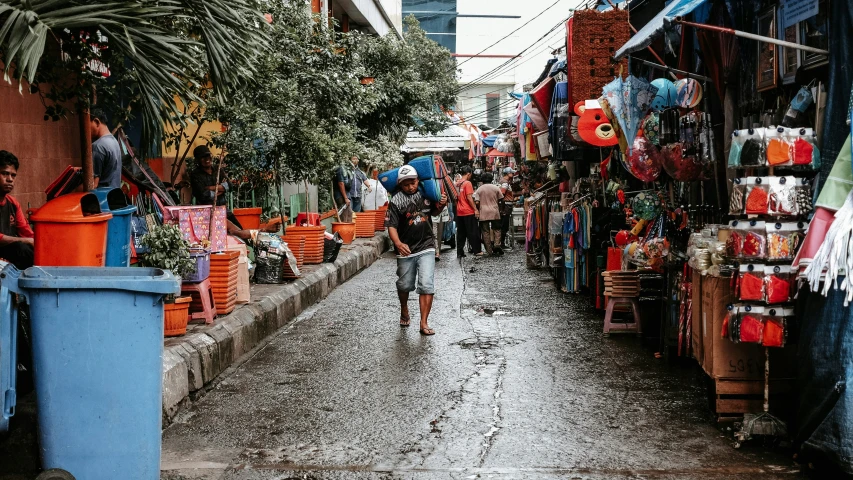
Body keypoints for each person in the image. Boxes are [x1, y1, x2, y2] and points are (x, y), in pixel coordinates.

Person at [386, 165, 448, 336]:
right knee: (405, 284)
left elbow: (434, 213)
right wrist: (398, 243)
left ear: (418, 181)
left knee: (427, 284)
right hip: (406, 249)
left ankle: (424, 322)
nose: (410, 187)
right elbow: (391, 226)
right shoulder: (396, 201)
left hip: (427, 246)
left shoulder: (426, 193)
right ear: (400, 185)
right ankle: (404, 308)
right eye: (406, 184)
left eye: (412, 183)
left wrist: (442, 204)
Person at [0, 151, 34, 270]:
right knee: (22, 248)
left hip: (6, 253)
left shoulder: (13, 203)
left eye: (13, 175)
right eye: (5, 174)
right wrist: (27, 241)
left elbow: (27, 233)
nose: (10, 179)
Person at [89, 107, 122, 189]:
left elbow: (93, 185)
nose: (86, 130)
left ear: (96, 122)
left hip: (101, 198)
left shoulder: (97, 146)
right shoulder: (114, 142)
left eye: (86, 125)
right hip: (114, 196)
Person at [455, 166, 481, 258]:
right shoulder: (467, 183)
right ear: (468, 174)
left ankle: (460, 252)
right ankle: (476, 250)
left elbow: (455, 198)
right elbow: (470, 198)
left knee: (461, 233)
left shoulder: (457, 183)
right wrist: (475, 209)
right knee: (473, 232)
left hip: (459, 211)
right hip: (468, 211)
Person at [475, 172, 503, 256]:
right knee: (497, 229)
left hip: (483, 212)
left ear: (482, 180)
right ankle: (497, 244)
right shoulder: (496, 188)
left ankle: (489, 250)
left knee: (485, 231)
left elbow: (476, 202)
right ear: (491, 179)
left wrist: (480, 208)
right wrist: (501, 209)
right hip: (494, 211)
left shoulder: (479, 189)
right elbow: (501, 199)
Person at [334, 155, 367, 222]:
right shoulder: (340, 169)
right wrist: (346, 198)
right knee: (345, 216)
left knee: (349, 215)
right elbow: (341, 183)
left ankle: (350, 231)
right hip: (343, 196)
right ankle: (344, 231)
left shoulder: (351, 170)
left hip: (350, 195)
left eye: (356, 159)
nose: (354, 161)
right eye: (353, 159)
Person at [499, 167, 517, 249]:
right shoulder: (505, 183)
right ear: (508, 173)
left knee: (504, 225)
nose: (513, 174)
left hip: (505, 205)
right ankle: (501, 243)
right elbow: (502, 193)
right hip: (506, 206)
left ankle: (501, 243)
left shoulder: (505, 182)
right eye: (511, 173)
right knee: (504, 225)